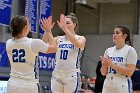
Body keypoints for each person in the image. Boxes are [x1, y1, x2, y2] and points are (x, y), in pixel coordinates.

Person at [6, 15, 56, 93]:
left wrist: (46, 32)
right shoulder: (33, 42)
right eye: (29, 23)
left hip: (12, 84)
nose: (30, 25)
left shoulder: (8, 43)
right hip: (29, 85)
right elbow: (53, 48)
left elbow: (41, 45)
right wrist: (49, 31)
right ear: (25, 27)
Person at [42, 13, 86, 93]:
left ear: (74, 25)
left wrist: (65, 29)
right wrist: (47, 31)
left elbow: (78, 44)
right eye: (64, 23)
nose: (65, 25)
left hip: (71, 74)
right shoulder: (58, 39)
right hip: (57, 73)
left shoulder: (80, 38)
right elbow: (43, 46)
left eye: (67, 23)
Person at [100, 25, 137, 93]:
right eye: (113, 33)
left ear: (125, 36)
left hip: (122, 83)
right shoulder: (108, 50)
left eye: (117, 33)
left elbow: (130, 72)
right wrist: (104, 65)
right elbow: (103, 73)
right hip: (108, 83)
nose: (114, 35)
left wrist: (112, 65)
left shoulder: (130, 50)